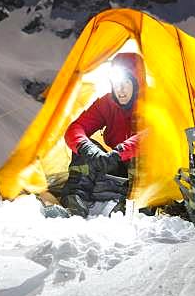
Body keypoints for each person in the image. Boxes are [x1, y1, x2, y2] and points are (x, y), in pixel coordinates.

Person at [60, 52, 145, 216]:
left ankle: (135, 203)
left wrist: (120, 152)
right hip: (116, 165)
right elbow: (75, 129)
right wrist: (89, 150)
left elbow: (152, 136)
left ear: (137, 83)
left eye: (126, 82)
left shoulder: (153, 103)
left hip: (146, 173)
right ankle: (75, 199)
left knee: (144, 156)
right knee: (84, 146)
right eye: (116, 83)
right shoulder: (107, 103)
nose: (120, 89)